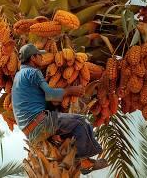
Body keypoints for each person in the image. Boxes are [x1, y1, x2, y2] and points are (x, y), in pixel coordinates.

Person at [12, 44, 108, 175]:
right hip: (40, 124)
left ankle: (63, 140)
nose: (42, 58)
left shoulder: (18, 76)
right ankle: (85, 161)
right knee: (81, 122)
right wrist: (70, 90)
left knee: (67, 124)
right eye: (39, 55)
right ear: (33, 58)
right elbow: (50, 95)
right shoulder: (33, 72)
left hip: (30, 130)